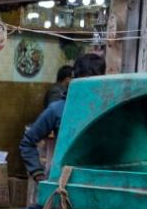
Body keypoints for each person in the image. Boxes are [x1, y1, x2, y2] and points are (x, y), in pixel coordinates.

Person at [20, 53, 105, 183]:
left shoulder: (106, 110)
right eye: (86, 80)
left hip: (96, 184)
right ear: (75, 79)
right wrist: (38, 173)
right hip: (61, 185)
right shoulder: (58, 109)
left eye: (97, 81)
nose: (91, 87)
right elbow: (27, 142)